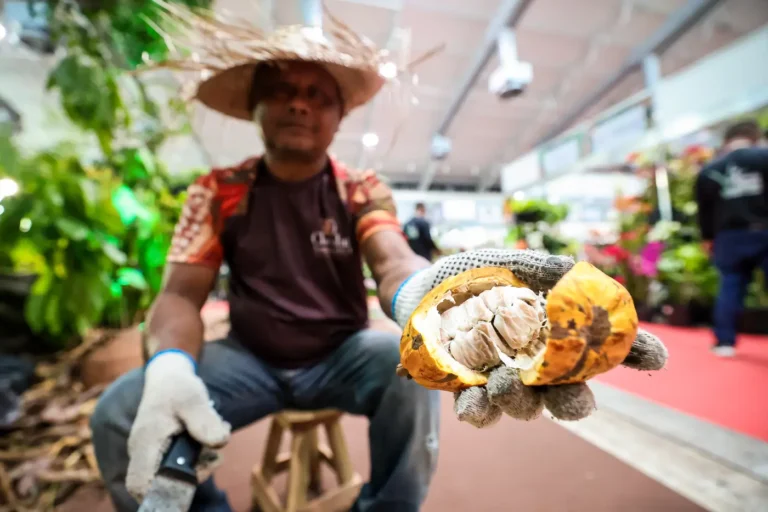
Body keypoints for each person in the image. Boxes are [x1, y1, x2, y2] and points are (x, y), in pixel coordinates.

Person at [89, 6, 670, 512]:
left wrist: (429, 297)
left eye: (318, 95)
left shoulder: (358, 188)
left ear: (339, 115)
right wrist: (170, 365)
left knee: (409, 375)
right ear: (255, 105)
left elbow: (391, 260)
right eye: (282, 90)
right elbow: (179, 294)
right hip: (249, 359)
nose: (300, 104)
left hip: (343, 354)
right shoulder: (220, 189)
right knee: (117, 414)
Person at [695, 119, 768, 357]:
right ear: (754, 137)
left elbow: (705, 211)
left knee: (730, 286)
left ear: (727, 140)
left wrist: (708, 238)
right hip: (764, 230)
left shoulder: (710, 170)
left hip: (729, 237)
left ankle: (725, 342)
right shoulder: (764, 157)